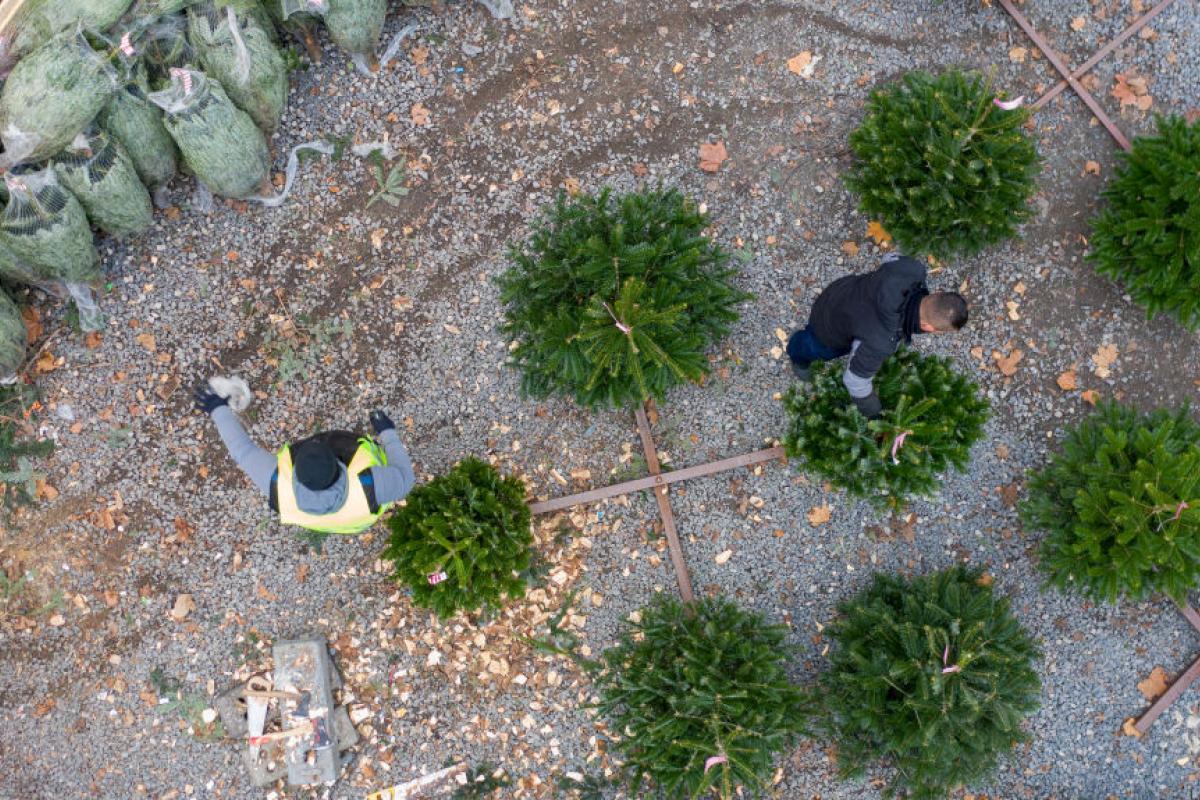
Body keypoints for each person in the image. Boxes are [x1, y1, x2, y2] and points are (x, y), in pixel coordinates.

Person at [193, 385, 416, 534]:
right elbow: (406, 477)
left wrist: (217, 409)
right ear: (338, 466)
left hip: (327, 523)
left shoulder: (277, 485)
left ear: (297, 472)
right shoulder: (370, 486)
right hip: (359, 519)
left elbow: (242, 450)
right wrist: (387, 432)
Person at [787, 253, 968, 418]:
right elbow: (855, 381)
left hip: (841, 291)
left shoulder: (914, 269)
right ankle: (798, 356)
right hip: (829, 327)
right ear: (928, 327)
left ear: (937, 294)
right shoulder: (881, 341)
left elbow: (889, 258)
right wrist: (873, 412)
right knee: (811, 346)